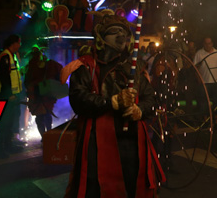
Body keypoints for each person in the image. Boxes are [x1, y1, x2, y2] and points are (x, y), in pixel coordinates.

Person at [63, 10, 164, 197]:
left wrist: (140, 109)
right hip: (98, 141)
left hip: (132, 141)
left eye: (123, 32)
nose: (120, 36)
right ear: (101, 37)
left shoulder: (135, 66)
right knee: (98, 189)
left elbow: (151, 98)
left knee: (133, 186)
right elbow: (78, 99)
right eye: (114, 31)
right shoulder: (86, 65)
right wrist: (111, 102)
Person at [0, 34, 23, 159]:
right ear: (13, 43)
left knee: (9, 122)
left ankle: (8, 145)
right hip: (1, 95)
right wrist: (9, 95)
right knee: (2, 122)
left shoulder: (11, 56)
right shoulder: (5, 57)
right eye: (19, 42)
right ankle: (0, 149)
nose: (20, 45)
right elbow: (4, 77)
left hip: (7, 94)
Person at [24, 47, 63, 140]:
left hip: (38, 94)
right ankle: (47, 135)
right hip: (45, 93)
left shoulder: (33, 65)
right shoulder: (50, 64)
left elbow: (27, 81)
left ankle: (45, 136)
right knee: (46, 114)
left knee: (40, 116)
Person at [194, 37, 217, 129]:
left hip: (215, 82)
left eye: (209, 43)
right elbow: (195, 68)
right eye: (206, 43)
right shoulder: (199, 53)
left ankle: (216, 120)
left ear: (212, 43)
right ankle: (205, 121)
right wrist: (199, 80)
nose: (208, 45)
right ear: (203, 44)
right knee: (204, 103)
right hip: (204, 82)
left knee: (216, 102)